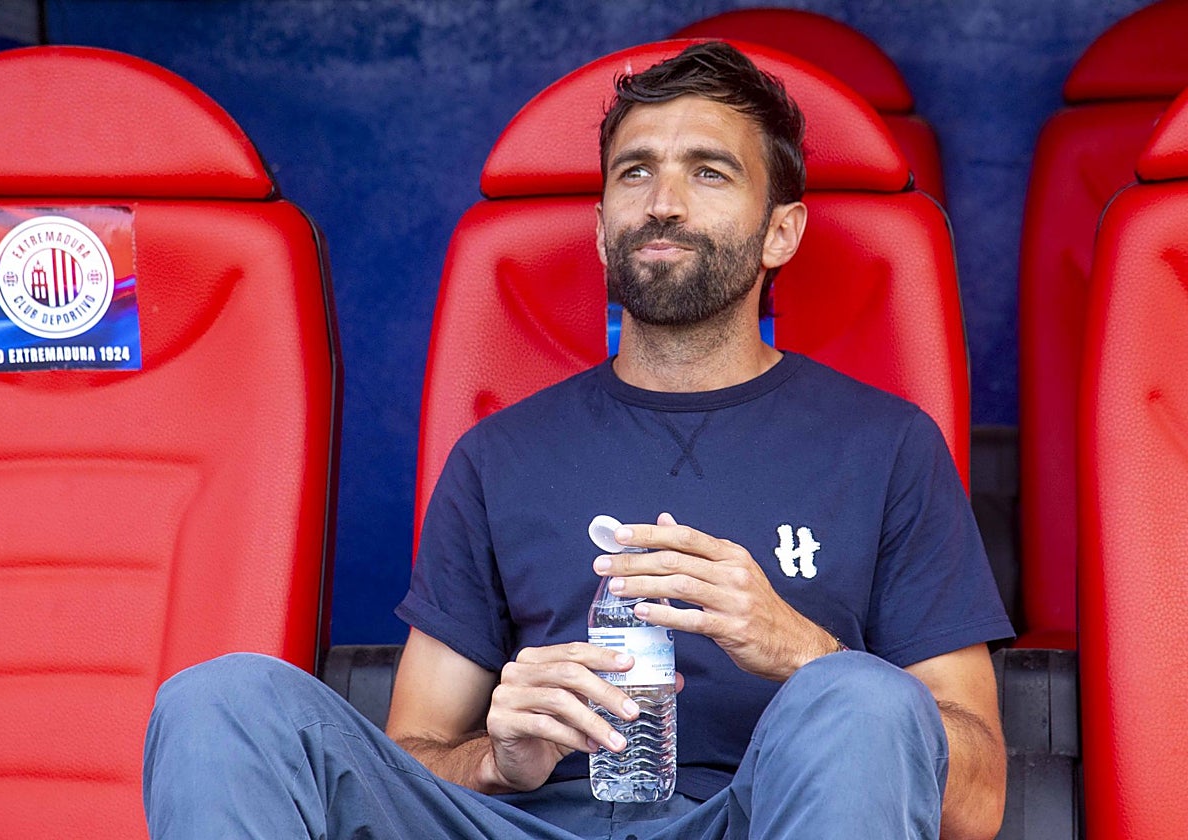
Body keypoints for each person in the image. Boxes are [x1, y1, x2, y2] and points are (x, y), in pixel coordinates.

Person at [143, 41, 1013, 840]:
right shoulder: (498, 456)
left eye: (709, 173)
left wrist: (803, 650)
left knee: (859, 693)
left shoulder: (888, 446)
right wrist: (495, 757)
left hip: (749, 821)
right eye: (635, 173)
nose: (663, 203)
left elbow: (978, 802)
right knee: (219, 702)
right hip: (530, 827)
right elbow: (410, 759)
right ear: (601, 227)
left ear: (780, 230)